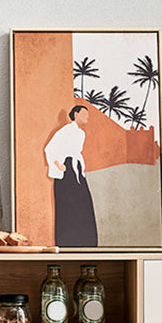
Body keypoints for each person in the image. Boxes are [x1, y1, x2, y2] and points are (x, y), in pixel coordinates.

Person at [44, 105, 98, 246]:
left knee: (83, 204)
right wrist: (58, 164)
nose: (87, 116)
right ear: (76, 114)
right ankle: (67, 243)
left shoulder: (81, 133)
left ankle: (87, 243)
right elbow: (50, 148)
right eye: (84, 113)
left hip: (78, 171)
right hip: (66, 171)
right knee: (68, 207)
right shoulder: (66, 131)